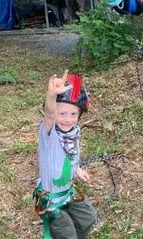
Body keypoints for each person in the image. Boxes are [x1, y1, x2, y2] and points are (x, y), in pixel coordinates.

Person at [33, 71, 97, 239]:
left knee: (88, 218)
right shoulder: (49, 134)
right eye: (62, 114)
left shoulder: (74, 132)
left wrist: (77, 169)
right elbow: (49, 114)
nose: (68, 119)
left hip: (67, 193)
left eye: (73, 114)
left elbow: (71, 155)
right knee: (66, 233)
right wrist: (51, 95)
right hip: (51, 201)